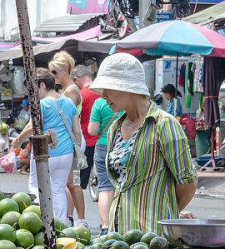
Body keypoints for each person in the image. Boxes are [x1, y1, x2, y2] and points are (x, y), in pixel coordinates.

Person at [90, 52, 197, 232]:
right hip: (118, 239)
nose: (103, 96)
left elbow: (187, 183)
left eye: (108, 89)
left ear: (127, 88)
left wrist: (167, 212)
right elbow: (120, 184)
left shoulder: (164, 125)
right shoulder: (115, 129)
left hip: (153, 241)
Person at [12, 68, 78, 222]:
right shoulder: (68, 102)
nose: (31, 94)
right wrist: (76, 151)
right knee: (58, 188)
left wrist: (18, 140)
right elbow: (77, 131)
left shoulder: (40, 105)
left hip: (45, 152)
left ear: (41, 85)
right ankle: (62, 224)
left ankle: (43, 222)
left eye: (32, 89)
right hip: (66, 153)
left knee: (35, 185)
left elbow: (31, 127)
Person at [49, 51, 87, 228]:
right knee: (66, 183)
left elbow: (69, 121)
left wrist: (76, 148)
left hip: (73, 139)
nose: (52, 76)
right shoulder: (64, 91)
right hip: (69, 138)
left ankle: (81, 220)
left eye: (54, 72)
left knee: (72, 183)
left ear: (65, 71)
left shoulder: (71, 91)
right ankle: (69, 218)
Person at [88, 95, 115, 234]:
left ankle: (105, 227)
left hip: (103, 146)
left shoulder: (99, 103)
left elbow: (92, 130)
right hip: (125, 144)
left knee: (105, 187)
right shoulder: (129, 102)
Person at [73, 65, 99, 201]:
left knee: (82, 175)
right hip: (104, 139)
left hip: (87, 139)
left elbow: (75, 117)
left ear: (77, 79)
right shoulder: (102, 91)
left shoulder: (81, 94)